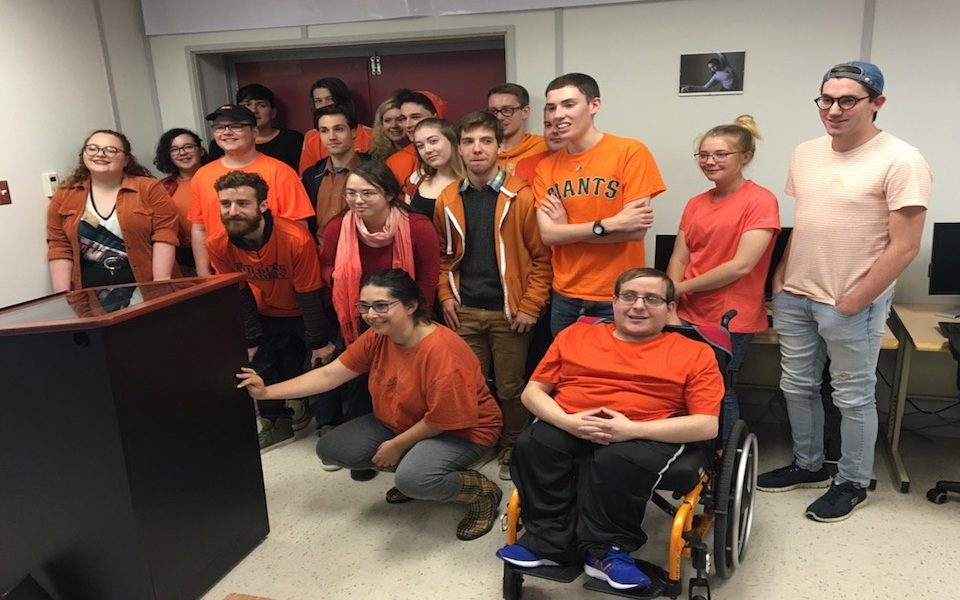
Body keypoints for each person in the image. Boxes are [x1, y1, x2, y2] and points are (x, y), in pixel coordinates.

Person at [757, 61, 931, 522]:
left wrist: (856, 298)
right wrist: (781, 276)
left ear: (877, 103)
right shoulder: (806, 152)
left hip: (852, 300)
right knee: (796, 385)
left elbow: (906, 246)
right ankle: (808, 465)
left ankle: (852, 482)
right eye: (826, 99)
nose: (833, 110)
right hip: (797, 293)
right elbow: (808, 219)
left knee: (852, 396)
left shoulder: (901, 158)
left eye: (847, 100)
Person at [495, 268, 722, 590]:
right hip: (572, 420)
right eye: (628, 296)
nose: (638, 306)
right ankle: (547, 544)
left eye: (652, 298)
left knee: (615, 461)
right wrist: (566, 421)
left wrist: (633, 429)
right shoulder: (575, 335)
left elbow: (706, 424)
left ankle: (607, 553)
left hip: (643, 430)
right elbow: (532, 392)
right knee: (534, 444)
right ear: (614, 302)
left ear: (670, 308)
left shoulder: (695, 352)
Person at [237, 268, 504, 540]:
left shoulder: (441, 351)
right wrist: (266, 392)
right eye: (364, 306)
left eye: (381, 306)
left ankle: (481, 493)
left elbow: (442, 419)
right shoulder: (379, 336)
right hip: (404, 421)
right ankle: (419, 471)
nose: (370, 315)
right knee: (332, 449)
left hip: (462, 430)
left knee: (414, 478)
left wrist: (397, 446)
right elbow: (331, 374)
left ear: (411, 305)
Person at [435, 111, 552, 481]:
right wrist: (445, 295)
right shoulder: (447, 197)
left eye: (486, 141)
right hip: (465, 309)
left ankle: (513, 443)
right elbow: (444, 256)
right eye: (468, 142)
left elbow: (542, 258)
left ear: (500, 147)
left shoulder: (521, 196)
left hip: (509, 312)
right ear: (459, 149)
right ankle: (481, 440)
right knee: (470, 384)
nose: (477, 149)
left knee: (510, 386)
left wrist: (531, 305)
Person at [317, 161, 440, 467]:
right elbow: (326, 268)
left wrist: (413, 319)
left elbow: (427, 279)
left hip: (406, 316)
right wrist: (351, 282)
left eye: (367, 193)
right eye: (351, 193)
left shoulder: (417, 226)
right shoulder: (338, 227)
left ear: (388, 193)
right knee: (358, 378)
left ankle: (408, 445)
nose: (358, 200)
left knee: (404, 380)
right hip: (358, 313)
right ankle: (361, 451)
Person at [666, 115, 780, 440]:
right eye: (703, 155)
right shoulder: (695, 203)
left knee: (718, 389)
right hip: (685, 312)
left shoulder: (760, 201)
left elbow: (741, 266)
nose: (710, 161)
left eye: (720, 154)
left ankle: (722, 460)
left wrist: (679, 287)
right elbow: (680, 255)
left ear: (745, 157)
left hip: (729, 317)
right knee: (683, 386)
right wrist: (672, 298)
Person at [206, 171, 335, 452]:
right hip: (266, 312)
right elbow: (237, 293)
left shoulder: (295, 238)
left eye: (242, 203)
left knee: (321, 361)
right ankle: (275, 423)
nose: (233, 211)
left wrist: (318, 342)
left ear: (263, 206)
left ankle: (328, 424)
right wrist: (250, 340)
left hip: (307, 311)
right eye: (226, 204)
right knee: (254, 361)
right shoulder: (217, 243)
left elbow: (309, 294)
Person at [533, 73, 666, 335]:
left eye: (569, 104)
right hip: (565, 294)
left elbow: (635, 230)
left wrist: (568, 231)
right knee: (568, 373)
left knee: (615, 372)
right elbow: (548, 235)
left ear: (594, 105)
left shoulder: (630, 152)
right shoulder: (546, 168)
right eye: (552, 107)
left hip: (619, 294)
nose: (557, 115)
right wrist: (609, 224)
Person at [189, 104, 314, 276]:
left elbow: (299, 228)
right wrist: (203, 273)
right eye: (219, 127)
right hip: (225, 275)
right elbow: (199, 228)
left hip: (274, 273)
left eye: (235, 126)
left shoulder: (281, 172)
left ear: (254, 132)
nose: (226, 132)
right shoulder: (201, 176)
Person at [47, 129, 178, 294]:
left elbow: (165, 234)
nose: (100, 154)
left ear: (126, 160)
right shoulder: (64, 195)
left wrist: (160, 285)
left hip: (143, 285)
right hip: (91, 290)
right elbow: (59, 245)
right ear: (83, 155)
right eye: (92, 148)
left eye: (111, 150)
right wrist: (63, 295)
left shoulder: (149, 188)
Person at [301, 104, 370, 245]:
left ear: (353, 132)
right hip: (322, 257)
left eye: (338, 129)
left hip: (363, 253)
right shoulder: (311, 175)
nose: (331, 137)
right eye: (324, 131)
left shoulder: (374, 170)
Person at [208, 83, 304, 171]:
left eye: (261, 105)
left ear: (273, 112)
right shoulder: (224, 141)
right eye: (247, 105)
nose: (254, 110)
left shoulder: (293, 139)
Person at [154, 128, 208, 276]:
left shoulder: (217, 178)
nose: (182, 153)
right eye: (174, 149)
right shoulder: (163, 187)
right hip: (182, 256)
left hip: (218, 250)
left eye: (188, 147)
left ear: (201, 151)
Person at [299, 77, 374, 174]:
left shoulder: (370, 134)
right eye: (318, 101)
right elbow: (306, 175)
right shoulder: (311, 137)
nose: (324, 105)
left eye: (329, 99)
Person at [404, 118, 465, 218]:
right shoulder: (416, 178)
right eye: (420, 146)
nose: (427, 150)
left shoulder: (472, 182)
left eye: (433, 141)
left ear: (452, 141)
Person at [385, 89, 447, 186]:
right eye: (404, 118)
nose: (408, 125)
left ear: (435, 118)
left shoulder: (461, 154)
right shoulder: (394, 162)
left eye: (415, 117)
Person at [486, 83, 547, 176]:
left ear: (525, 112)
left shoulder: (544, 147)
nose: (499, 117)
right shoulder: (481, 151)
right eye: (493, 111)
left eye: (507, 110)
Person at [514, 116, 564, 183]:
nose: (554, 131)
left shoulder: (582, 164)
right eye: (548, 125)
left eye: (561, 126)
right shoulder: (525, 165)